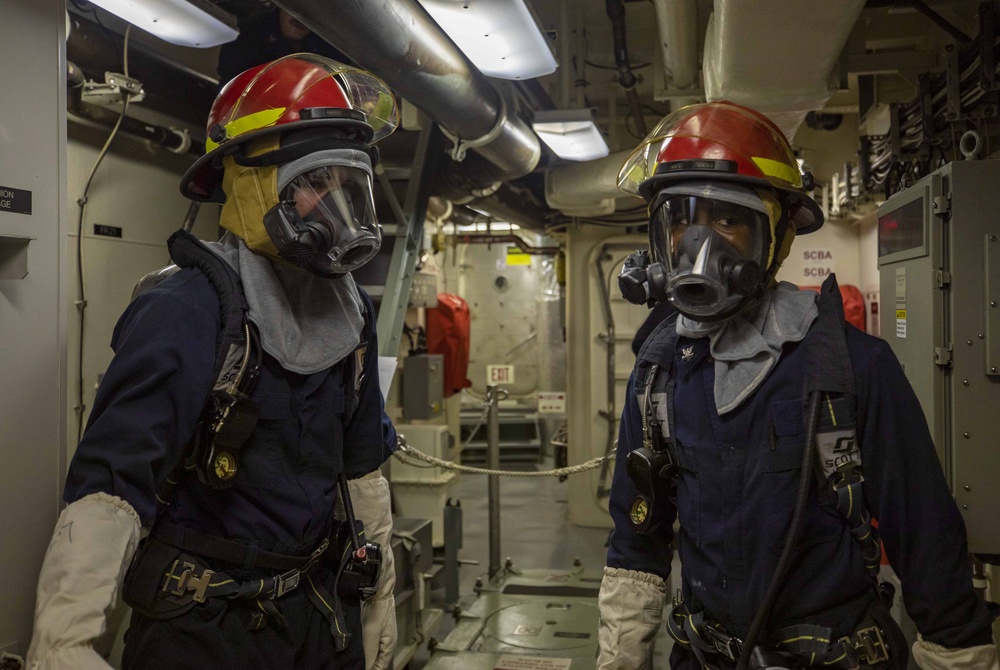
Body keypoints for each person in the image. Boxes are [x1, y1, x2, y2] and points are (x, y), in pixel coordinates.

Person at [27, 55, 400, 670]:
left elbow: (361, 469)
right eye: (314, 183)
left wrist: (378, 587)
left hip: (316, 613)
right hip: (205, 624)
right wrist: (65, 638)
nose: (335, 209)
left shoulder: (349, 309)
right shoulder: (185, 308)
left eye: (347, 187)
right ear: (253, 184)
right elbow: (113, 485)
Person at [599, 101, 998, 670]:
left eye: (729, 220)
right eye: (683, 219)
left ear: (777, 237)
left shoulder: (852, 368)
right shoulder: (657, 375)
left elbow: (926, 542)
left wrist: (960, 654)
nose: (700, 248)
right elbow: (637, 543)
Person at [217, 8, 351, 87]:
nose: (301, 17)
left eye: (312, 9)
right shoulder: (247, 36)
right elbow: (229, 88)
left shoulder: (330, 47)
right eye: (297, 5)